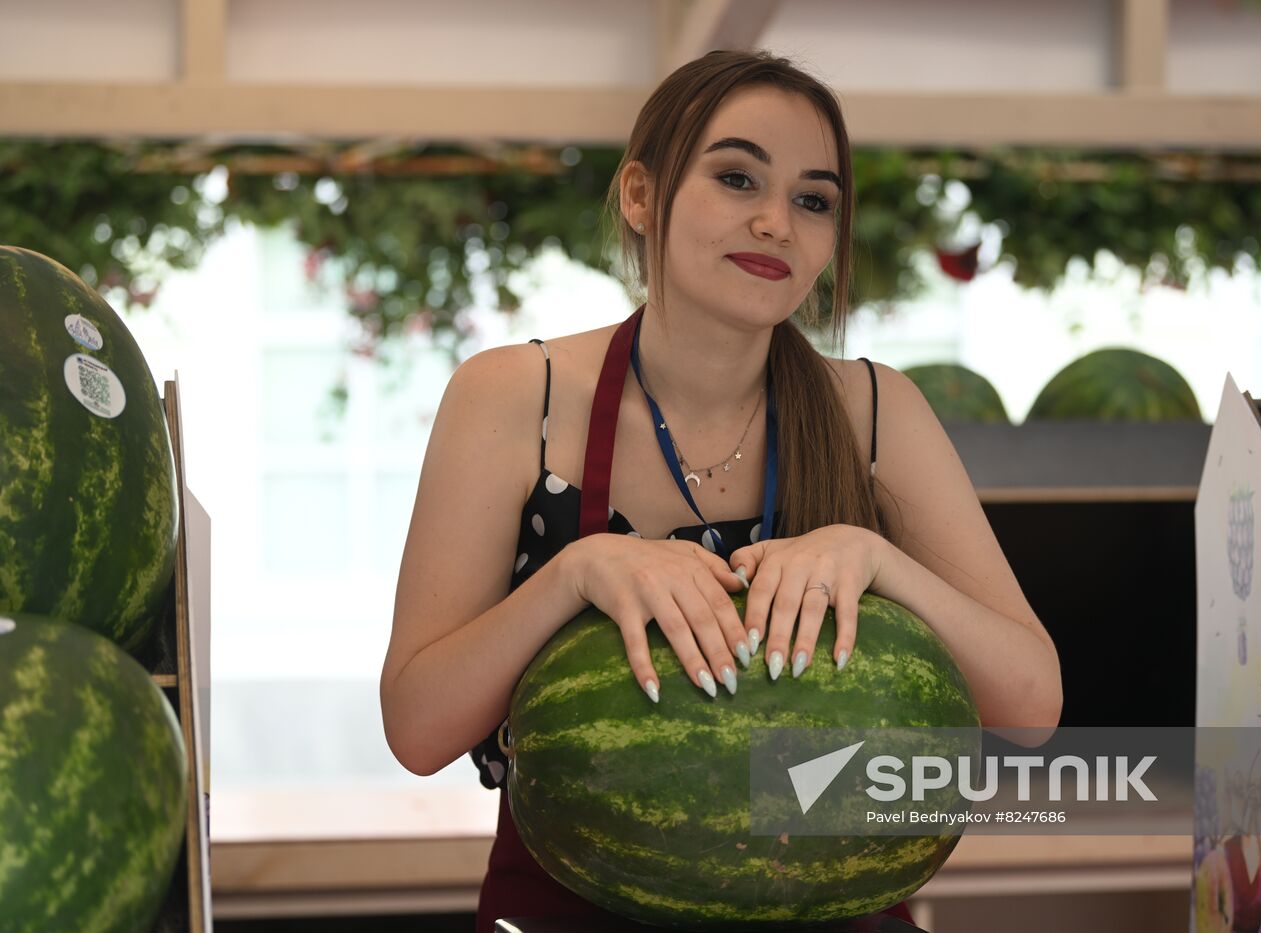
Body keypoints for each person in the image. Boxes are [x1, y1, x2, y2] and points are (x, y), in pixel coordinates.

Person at [381, 49, 1062, 933]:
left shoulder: (875, 410)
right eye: (737, 177)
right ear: (640, 195)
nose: (776, 222)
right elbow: (417, 728)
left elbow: (1033, 705)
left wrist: (875, 557)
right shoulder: (516, 397)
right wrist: (573, 573)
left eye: (813, 199)